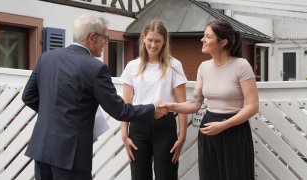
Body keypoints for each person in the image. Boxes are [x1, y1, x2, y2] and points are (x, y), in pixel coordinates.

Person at [22, 14, 167, 180]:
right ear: (92, 37)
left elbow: (28, 96)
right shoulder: (96, 68)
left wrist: (57, 114)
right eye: (105, 37)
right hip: (71, 155)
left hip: (42, 149)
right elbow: (119, 110)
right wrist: (152, 109)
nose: (106, 42)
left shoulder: (47, 57)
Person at [162, 19, 259, 180]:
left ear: (223, 42)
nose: (202, 40)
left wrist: (224, 125)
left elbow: (252, 106)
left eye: (207, 36)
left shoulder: (241, 66)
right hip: (209, 128)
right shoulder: (203, 67)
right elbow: (195, 104)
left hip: (234, 130)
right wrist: (171, 106)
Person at [119, 19, 187, 180]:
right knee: (139, 176)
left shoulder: (174, 66)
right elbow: (126, 103)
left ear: (164, 41)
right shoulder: (132, 66)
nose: (153, 45)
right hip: (138, 126)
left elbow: (182, 104)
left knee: (166, 175)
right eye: (150, 40)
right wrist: (124, 134)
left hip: (164, 126)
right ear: (143, 38)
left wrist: (182, 135)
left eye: (158, 41)